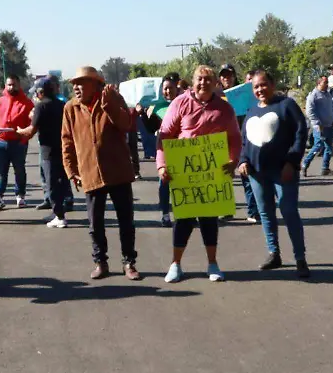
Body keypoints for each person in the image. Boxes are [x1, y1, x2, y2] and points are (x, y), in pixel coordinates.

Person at [157, 65, 242, 283]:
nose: (203, 83)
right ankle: (175, 264)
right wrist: (162, 165)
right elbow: (164, 136)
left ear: (215, 83)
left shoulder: (225, 109)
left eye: (207, 79)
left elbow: (234, 138)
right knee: (183, 220)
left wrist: (233, 161)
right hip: (183, 173)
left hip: (211, 175)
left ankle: (212, 264)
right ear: (192, 82)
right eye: (199, 79)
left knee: (209, 220)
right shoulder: (180, 103)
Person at [60, 66, 140, 280]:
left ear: (95, 83)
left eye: (81, 82)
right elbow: (66, 141)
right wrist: (71, 170)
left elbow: (126, 125)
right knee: (95, 223)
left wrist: (110, 105)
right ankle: (100, 262)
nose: (76, 87)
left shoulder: (113, 98)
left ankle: (129, 262)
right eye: (74, 84)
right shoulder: (71, 108)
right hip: (90, 172)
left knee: (126, 221)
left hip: (118, 171)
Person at [238, 69, 311, 277]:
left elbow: (300, 133)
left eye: (263, 84)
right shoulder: (251, 111)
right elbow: (245, 141)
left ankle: (300, 258)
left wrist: (292, 161)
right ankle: (274, 253)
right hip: (256, 173)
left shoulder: (286, 105)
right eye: (255, 87)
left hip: (283, 171)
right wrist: (243, 160)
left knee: (289, 211)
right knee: (265, 213)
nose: (260, 89)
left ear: (272, 83)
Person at [17, 75, 71, 228]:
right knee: (60, 182)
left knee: (51, 183)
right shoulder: (61, 104)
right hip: (61, 147)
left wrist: (19, 130)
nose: (36, 95)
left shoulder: (41, 106)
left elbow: (31, 131)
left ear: (41, 92)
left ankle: (59, 216)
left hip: (48, 150)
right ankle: (59, 211)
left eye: (37, 92)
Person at [0, 74, 33, 210]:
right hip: (0, 143)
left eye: (14, 84)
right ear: (6, 86)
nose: (11, 87)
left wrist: (24, 139)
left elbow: (32, 124)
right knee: (1, 172)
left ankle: (20, 196)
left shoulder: (27, 103)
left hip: (18, 143)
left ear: (19, 85)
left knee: (19, 170)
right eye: (9, 84)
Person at [219, 63, 259, 222]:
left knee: (246, 175)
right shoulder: (216, 94)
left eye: (229, 75)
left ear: (235, 76)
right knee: (224, 177)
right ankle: (226, 210)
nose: (226, 78)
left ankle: (253, 211)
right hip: (222, 141)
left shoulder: (244, 93)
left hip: (243, 139)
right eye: (223, 75)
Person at [140, 72, 181, 227]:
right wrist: (142, 113)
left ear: (176, 89)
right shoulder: (156, 106)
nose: (168, 91)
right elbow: (150, 128)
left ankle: (184, 213)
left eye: (170, 88)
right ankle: (165, 214)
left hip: (182, 149)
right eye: (165, 89)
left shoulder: (185, 103)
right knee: (164, 183)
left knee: (182, 184)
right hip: (164, 150)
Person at [302, 75, 333, 176]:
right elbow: (309, 111)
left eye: (327, 83)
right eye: (325, 83)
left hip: (330, 125)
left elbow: (332, 107)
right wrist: (317, 124)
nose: (327, 85)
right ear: (319, 83)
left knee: (329, 147)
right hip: (320, 127)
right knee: (318, 146)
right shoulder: (313, 95)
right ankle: (305, 164)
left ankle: (325, 168)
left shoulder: (328, 94)